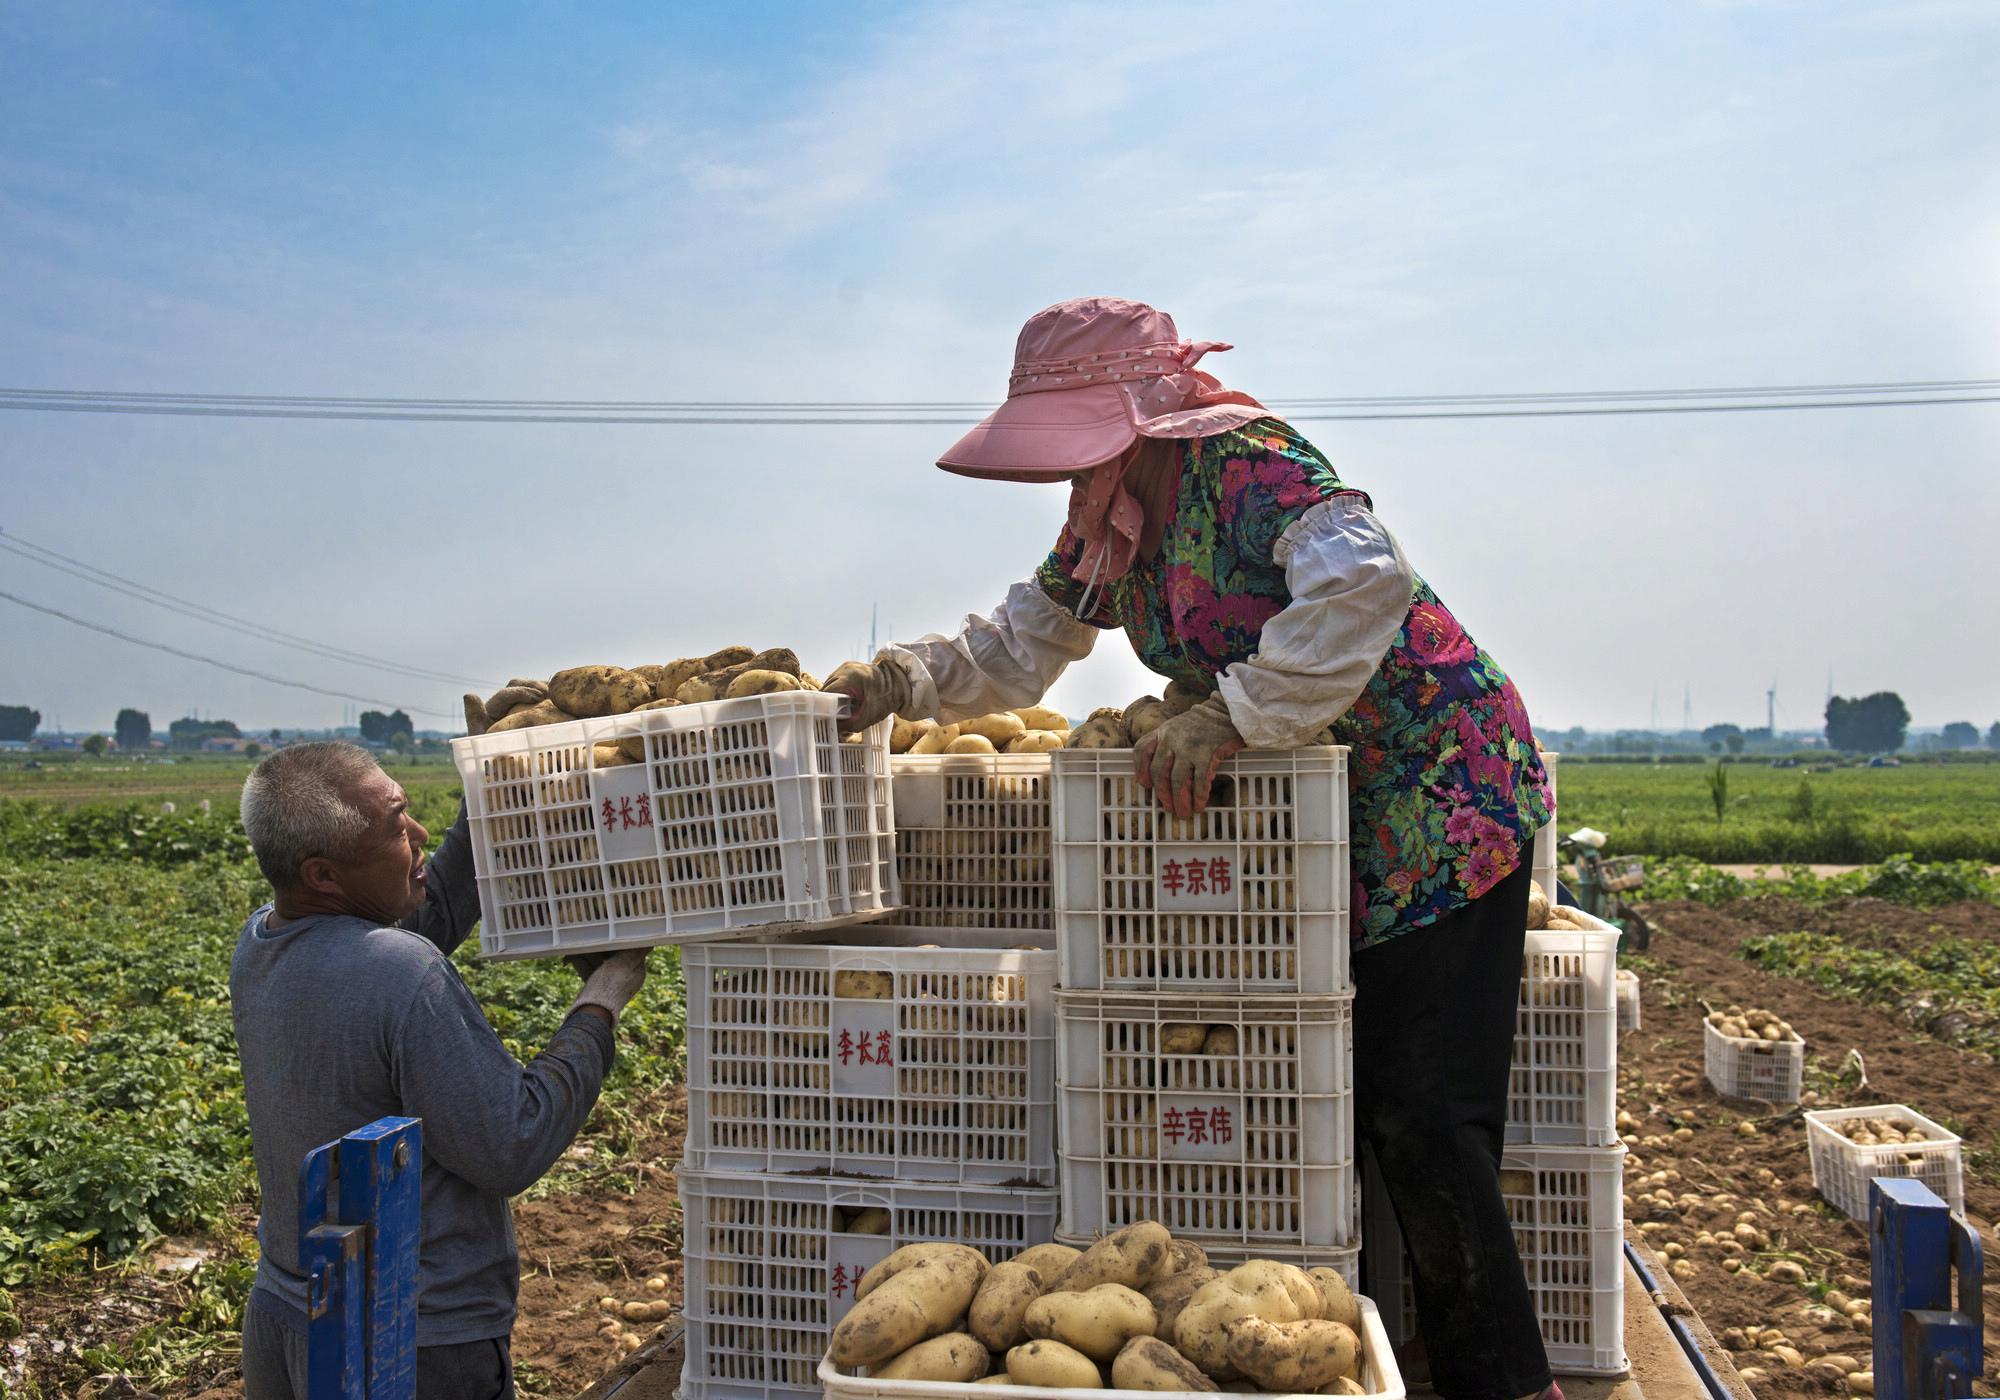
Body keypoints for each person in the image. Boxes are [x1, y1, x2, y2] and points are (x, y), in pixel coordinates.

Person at [825, 297, 1558, 1400]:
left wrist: (1233, 711)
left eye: (1075, 448)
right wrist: (904, 680)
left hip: (1441, 796)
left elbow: (1366, 582)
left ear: (1134, 417)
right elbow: (1023, 642)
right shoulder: (1110, 522)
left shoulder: (1249, 467)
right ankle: (1407, 1360)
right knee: (1361, 1109)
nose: (1068, 481)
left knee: (1424, 1110)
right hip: (1330, 827)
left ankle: (1507, 1385)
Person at [230, 741, 649, 1400]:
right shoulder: (401, 973)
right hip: (406, 1343)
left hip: (287, 1317)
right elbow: (511, 1144)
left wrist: (493, 794)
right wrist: (600, 1004)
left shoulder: (262, 942)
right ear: (324, 875)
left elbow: (430, 912)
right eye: (397, 827)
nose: (418, 833)